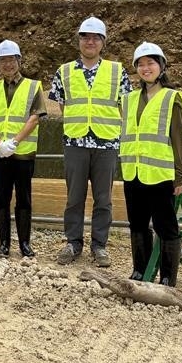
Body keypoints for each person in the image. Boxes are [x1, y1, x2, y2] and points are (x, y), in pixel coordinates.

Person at [49, 17, 132, 267]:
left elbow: (124, 106)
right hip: (75, 142)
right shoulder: (63, 71)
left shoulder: (117, 71)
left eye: (96, 37)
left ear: (103, 42)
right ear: (79, 41)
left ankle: (99, 245)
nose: (90, 41)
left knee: (103, 199)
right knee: (74, 197)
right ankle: (73, 242)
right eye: (85, 37)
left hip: (106, 143)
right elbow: (63, 105)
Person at [121, 42, 182, 287]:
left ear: (161, 66)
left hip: (160, 174)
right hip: (133, 172)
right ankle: (141, 270)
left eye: (150, 63)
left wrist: (180, 176)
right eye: (141, 64)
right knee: (137, 224)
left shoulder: (172, 98)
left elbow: (179, 139)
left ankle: (168, 277)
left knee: (166, 226)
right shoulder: (127, 100)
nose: (145, 68)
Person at [0, 40, 46, 258]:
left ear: (19, 61)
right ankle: (3, 243)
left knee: (24, 199)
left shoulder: (33, 86)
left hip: (23, 153)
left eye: (11, 59)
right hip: (0, 153)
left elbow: (35, 117)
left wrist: (15, 142)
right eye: (3, 60)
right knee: (2, 198)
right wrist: (0, 143)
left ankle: (25, 244)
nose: (7, 64)